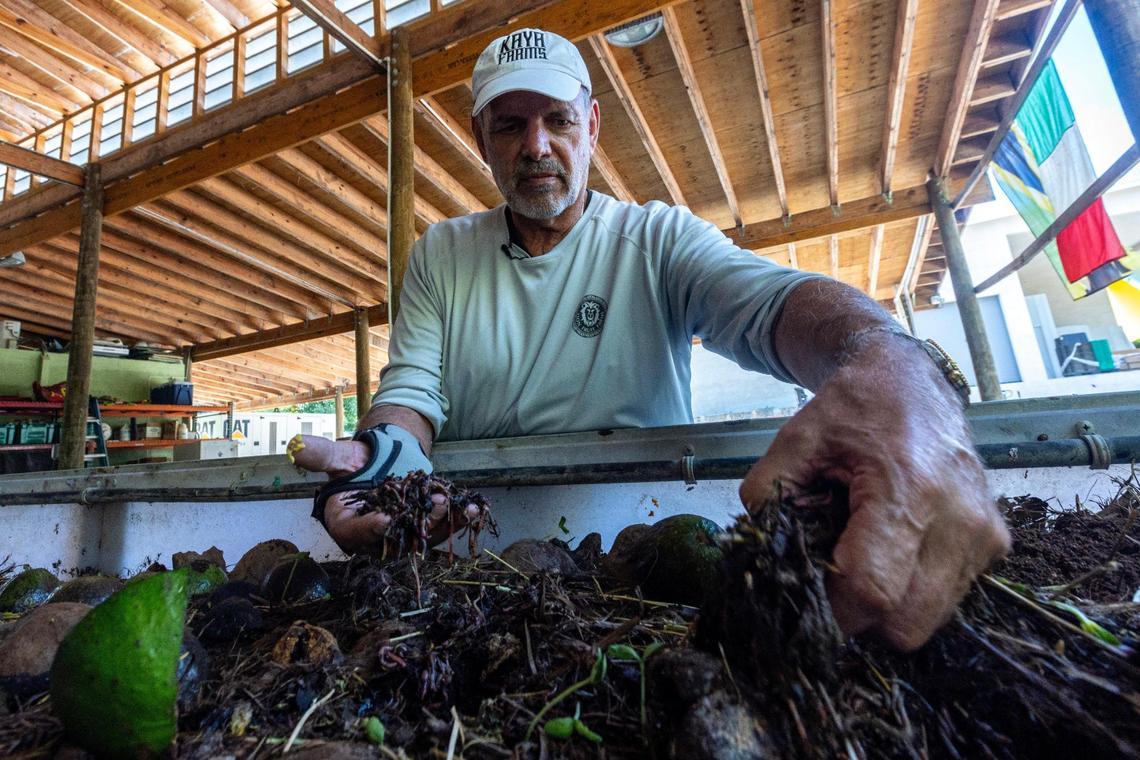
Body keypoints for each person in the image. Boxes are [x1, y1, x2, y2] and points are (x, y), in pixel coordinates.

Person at [290, 28, 1009, 651]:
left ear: (592, 126)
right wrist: (390, 458)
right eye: (509, 126)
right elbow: (409, 393)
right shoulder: (442, 254)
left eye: (557, 120)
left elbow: (769, 303)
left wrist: (887, 358)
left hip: (643, 558)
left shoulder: (656, 239)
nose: (536, 146)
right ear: (481, 139)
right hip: (476, 551)